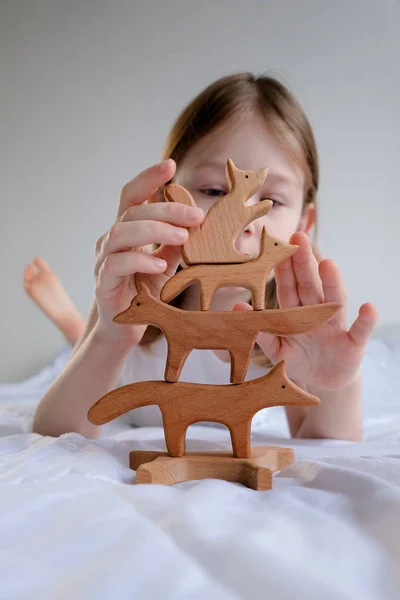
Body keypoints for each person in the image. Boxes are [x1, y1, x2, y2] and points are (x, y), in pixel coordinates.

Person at [32, 72, 378, 441]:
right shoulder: (133, 300)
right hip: (131, 343)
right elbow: (56, 435)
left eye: (272, 201)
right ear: (166, 199)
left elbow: (326, 453)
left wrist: (338, 385)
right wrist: (109, 337)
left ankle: (72, 327)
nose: (243, 223)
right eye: (213, 190)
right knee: (89, 344)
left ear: (303, 223)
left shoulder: (291, 336)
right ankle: (74, 327)